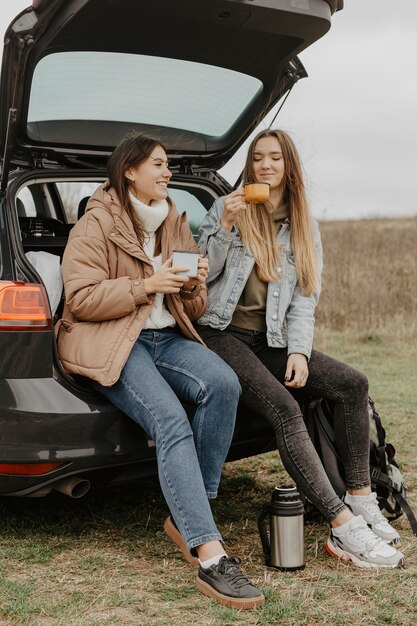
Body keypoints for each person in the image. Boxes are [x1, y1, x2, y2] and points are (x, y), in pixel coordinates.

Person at [56, 133, 264, 609]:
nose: (168, 172)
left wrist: (193, 283)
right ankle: (210, 555)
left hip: (166, 336)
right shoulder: (95, 225)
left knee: (223, 384)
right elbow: (82, 299)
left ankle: (189, 512)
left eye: (167, 165)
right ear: (129, 171)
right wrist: (146, 283)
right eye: (159, 164)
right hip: (115, 338)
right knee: (170, 420)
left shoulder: (173, 219)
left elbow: (192, 302)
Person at [196, 128, 405, 569]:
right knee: (285, 409)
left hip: (268, 340)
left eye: (274, 157)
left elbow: (304, 299)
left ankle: (361, 496)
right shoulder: (226, 208)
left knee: (352, 384)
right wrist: (226, 226)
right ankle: (343, 527)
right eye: (257, 158)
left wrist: (298, 351)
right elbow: (201, 277)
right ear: (249, 166)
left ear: (289, 165)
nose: (265, 166)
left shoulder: (304, 224)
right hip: (220, 333)